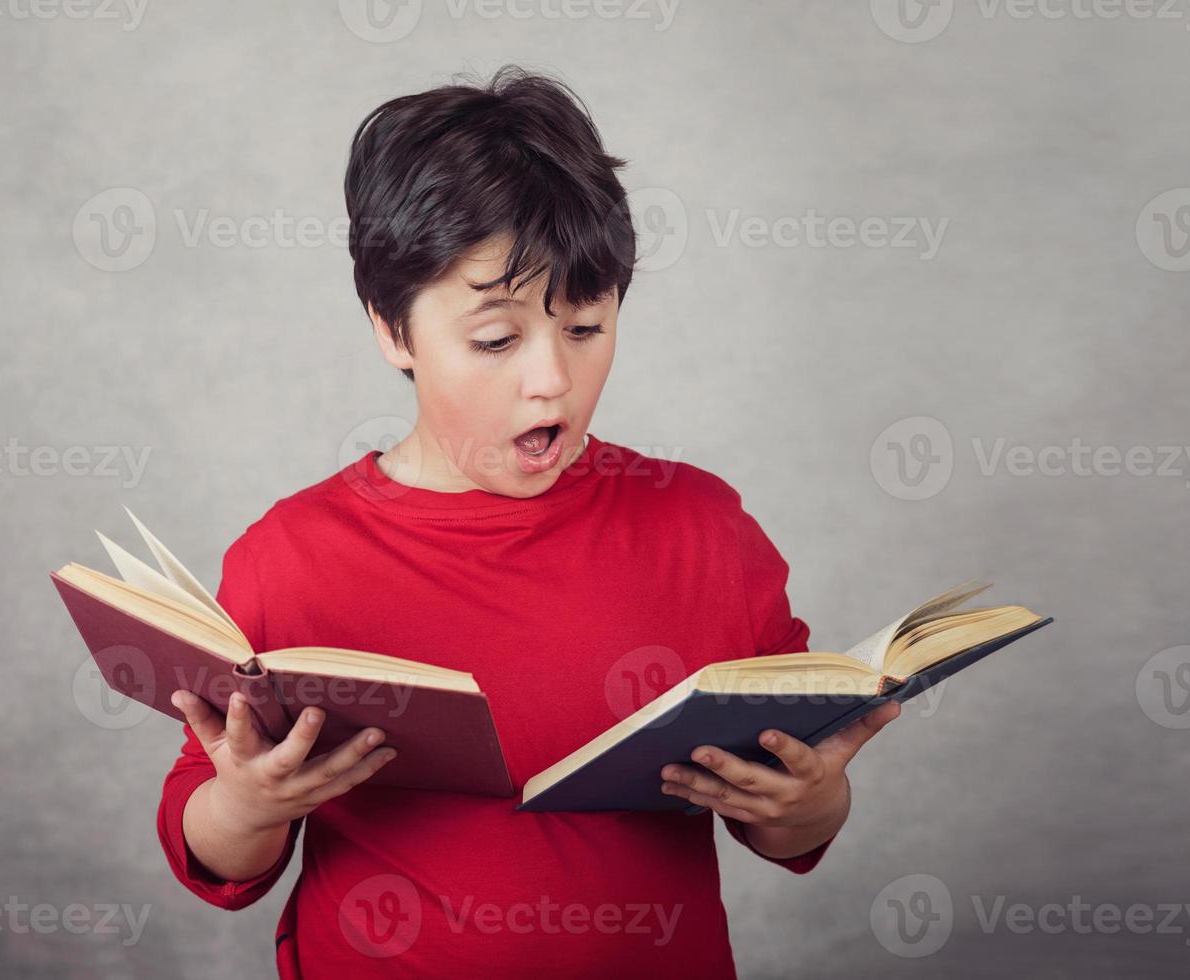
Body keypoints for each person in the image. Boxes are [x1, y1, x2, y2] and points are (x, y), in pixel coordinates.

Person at [158, 64, 901, 978]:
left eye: (585, 327)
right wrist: (248, 804)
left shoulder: (702, 529)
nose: (550, 379)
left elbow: (790, 826)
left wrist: (810, 806)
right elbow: (215, 851)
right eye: (496, 340)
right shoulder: (290, 558)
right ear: (393, 330)